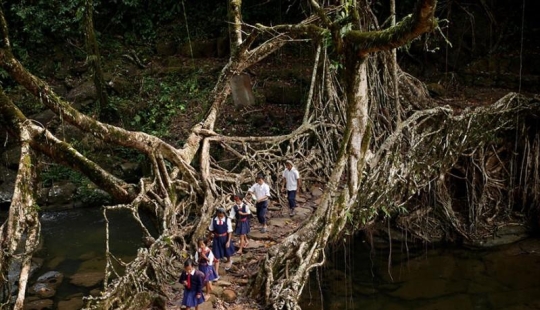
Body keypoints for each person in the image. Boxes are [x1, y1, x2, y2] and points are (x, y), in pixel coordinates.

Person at [208, 207, 235, 273]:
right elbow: (211, 230)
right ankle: (216, 271)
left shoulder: (227, 220)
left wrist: (228, 241)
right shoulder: (213, 219)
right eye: (219, 216)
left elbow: (229, 231)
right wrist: (208, 239)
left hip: (225, 237)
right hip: (216, 238)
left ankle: (229, 260)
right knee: (216, 253)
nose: (220, 217)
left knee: (227, 250)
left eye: (221, 216)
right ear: (217, 214)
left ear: (224, 214)